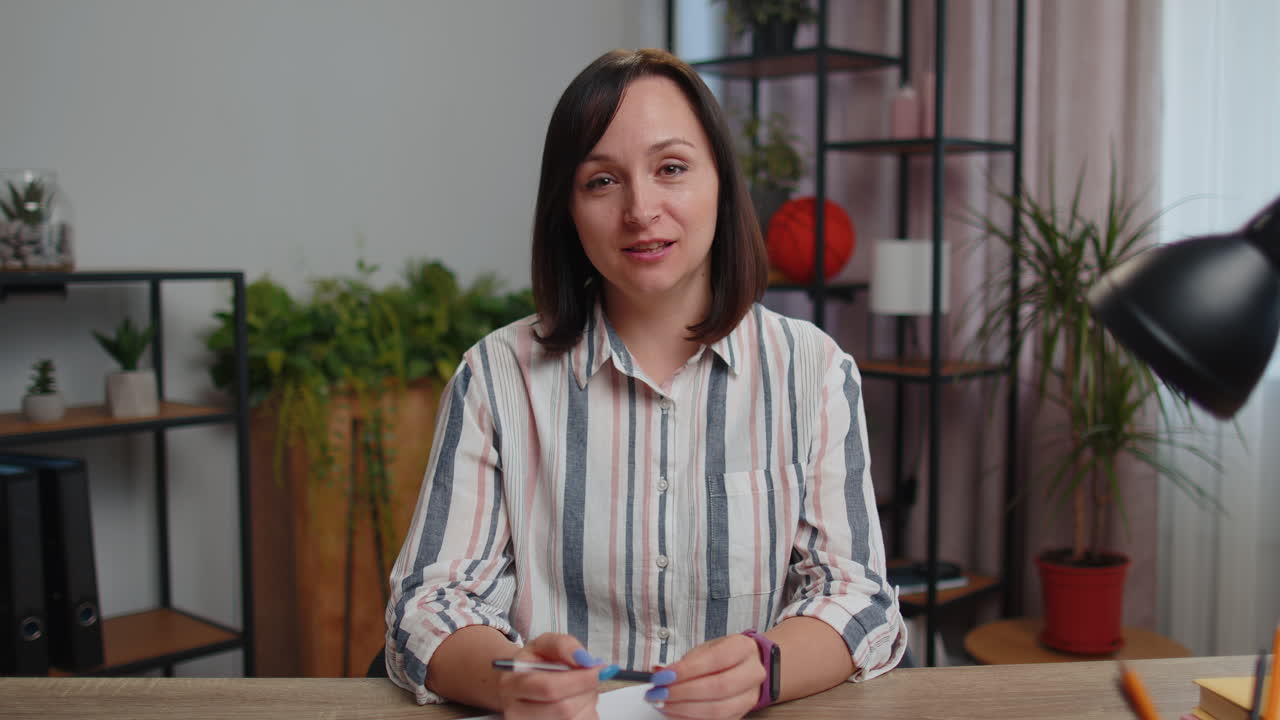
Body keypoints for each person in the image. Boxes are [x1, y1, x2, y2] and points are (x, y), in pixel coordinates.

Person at [384, 47, 905, 718]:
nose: (640, 209)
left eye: (672, 169)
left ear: (722, 183)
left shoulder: (813, 371)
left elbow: (858, 596)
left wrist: (765, 669)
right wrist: (509, 679)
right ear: (567, 208)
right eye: (602, 181)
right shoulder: (496, 376)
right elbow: (428, 603)